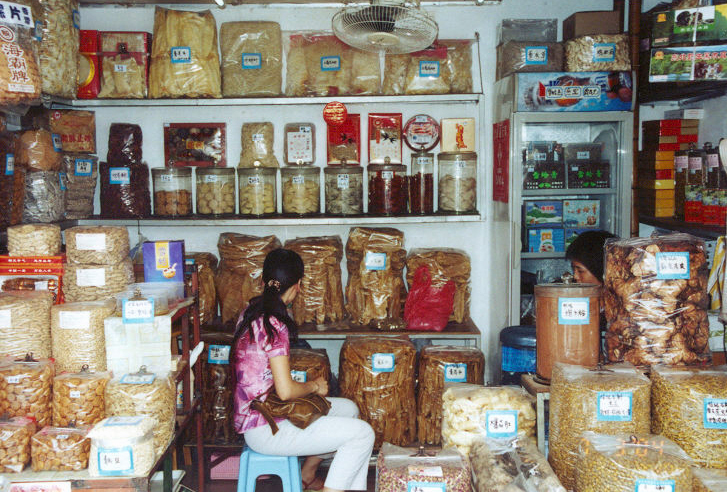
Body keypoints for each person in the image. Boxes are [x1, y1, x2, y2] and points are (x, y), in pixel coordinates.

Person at [232, 248, 374, 492]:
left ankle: (307, 475)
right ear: (298, 285)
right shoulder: (274, 324)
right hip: (266, 429)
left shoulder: (250, 312)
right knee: (363, 434)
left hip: (263, 413)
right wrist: (314, 387)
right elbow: (286, 391)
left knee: (349, 410)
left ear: (264, 281)